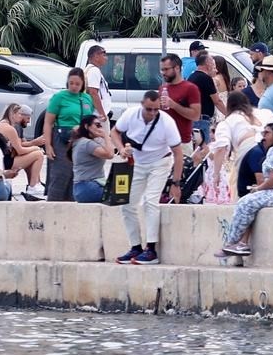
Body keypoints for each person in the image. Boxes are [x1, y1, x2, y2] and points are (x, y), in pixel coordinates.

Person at [112, 89, 186, 264]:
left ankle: (151, 249)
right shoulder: (130, 115)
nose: (152, 113)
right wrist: (121, 149)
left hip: (160, 162)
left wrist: (176, 182)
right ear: (142, 106)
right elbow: (114, 132)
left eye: (155, 109)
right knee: (127, 204)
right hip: (137, 163)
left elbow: (178, 153)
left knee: (150, 200)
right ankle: (135, 246)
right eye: (149, 109)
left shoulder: (167, 122)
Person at [217, 122, 273, 259]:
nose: (263, 136)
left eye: (267, 133)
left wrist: (258, 188)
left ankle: (231, 242)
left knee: (245, 202)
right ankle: (242, 243)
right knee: (251, 203)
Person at [44, 67, 95, 202]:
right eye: (71, 83)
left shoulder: (87, 98)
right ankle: (53, 204)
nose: (74, 86)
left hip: (82, 140)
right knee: (61, 174)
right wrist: (48, 145)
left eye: (77, 84)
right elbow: (48, 122)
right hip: (63, 138)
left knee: (76, 175)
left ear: (83, 84)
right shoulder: (59, 97)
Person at [0, 103, 47, 198]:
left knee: (32, 155)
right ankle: (33, 186)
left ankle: (34, 183)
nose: (20, 116)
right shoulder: (10, 129)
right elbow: (20, 150)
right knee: (38, 154)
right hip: (4, 160)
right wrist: (36, 147)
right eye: (19, 114)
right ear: (12, 114)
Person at [70, 114, 119, 204]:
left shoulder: (81, 141)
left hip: (81, 188)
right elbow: (110, 154)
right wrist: (105, 136)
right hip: (88, 187)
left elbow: (111, 148)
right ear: (86, 126)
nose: (100, 128)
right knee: (122, 196)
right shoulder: (87, 144)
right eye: (97, 125)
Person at [82, 45, 112, 125]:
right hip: (97, 116)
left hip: (95, 115)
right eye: (104, 55)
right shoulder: (94, 71)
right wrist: (102, 114)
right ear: (96, 57)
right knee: (103, 137)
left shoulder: (90, 70)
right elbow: (93, 93)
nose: (106, 58)